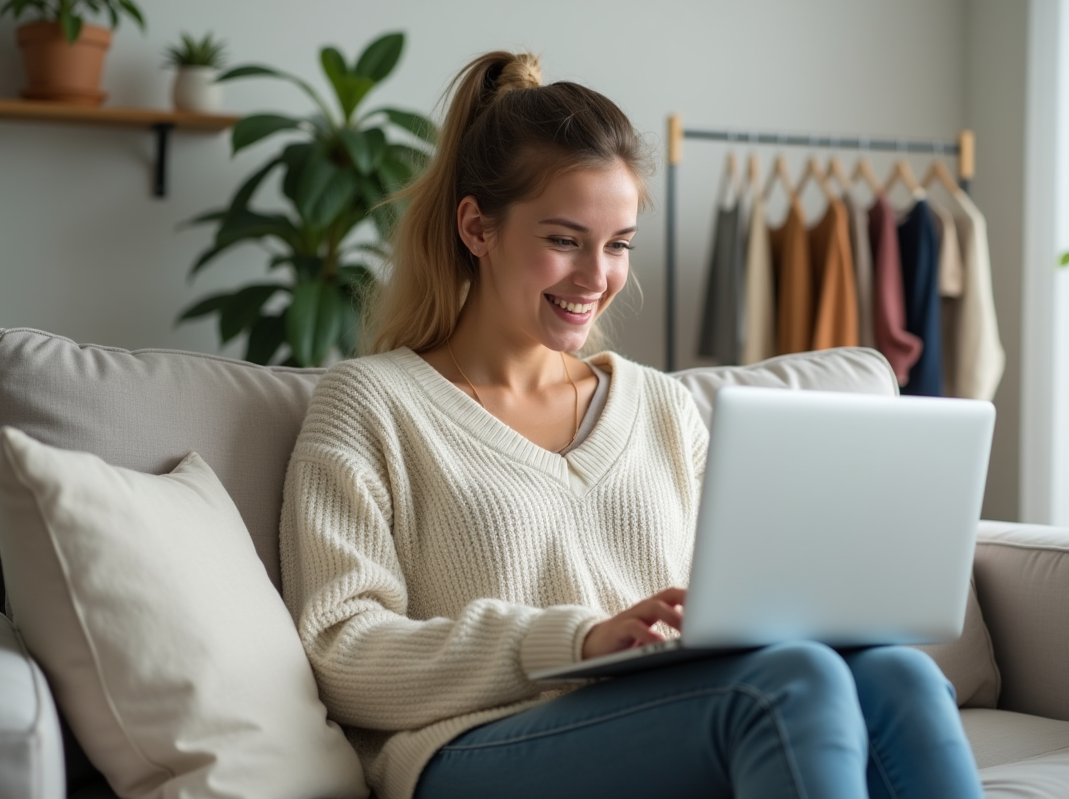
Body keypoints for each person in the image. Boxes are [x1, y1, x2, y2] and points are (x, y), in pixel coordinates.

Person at [279, 50, 984, 799]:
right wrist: (575, 639)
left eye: (617, 245)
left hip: (668, 710)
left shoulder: (663, 408)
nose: (596, 277)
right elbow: (342, 650)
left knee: (898, 672)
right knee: (792, 682)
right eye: (563, 240)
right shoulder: (373, 404)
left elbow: (737, 599)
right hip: (469, 749)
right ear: (477, 228)